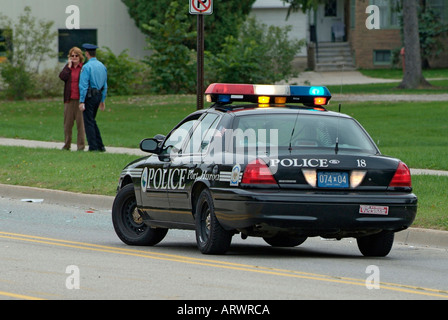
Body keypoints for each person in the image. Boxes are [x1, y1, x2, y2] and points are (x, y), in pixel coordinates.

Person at [79, 43, 108, 152]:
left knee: (88, 122)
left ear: (87, 53)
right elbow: (105, 84)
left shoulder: (86, 67)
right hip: (98, 95)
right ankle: (100, 145)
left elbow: (83, 85)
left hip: (89, 96)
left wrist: (82, 101)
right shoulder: (102, 66)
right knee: (92, 120)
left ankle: (93, 146)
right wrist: (102, 100)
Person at [59, 46, 86, 151]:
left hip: (80, 99)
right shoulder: (68, 68)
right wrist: (68, 66)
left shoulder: (83, 68)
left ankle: (81, 146)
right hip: (69, 100)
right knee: (67, 124)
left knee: (81, 125)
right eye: (72, 56)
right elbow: (62, 77)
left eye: (76, 55)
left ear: (80, 57)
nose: (74, 57)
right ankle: (67, 144)